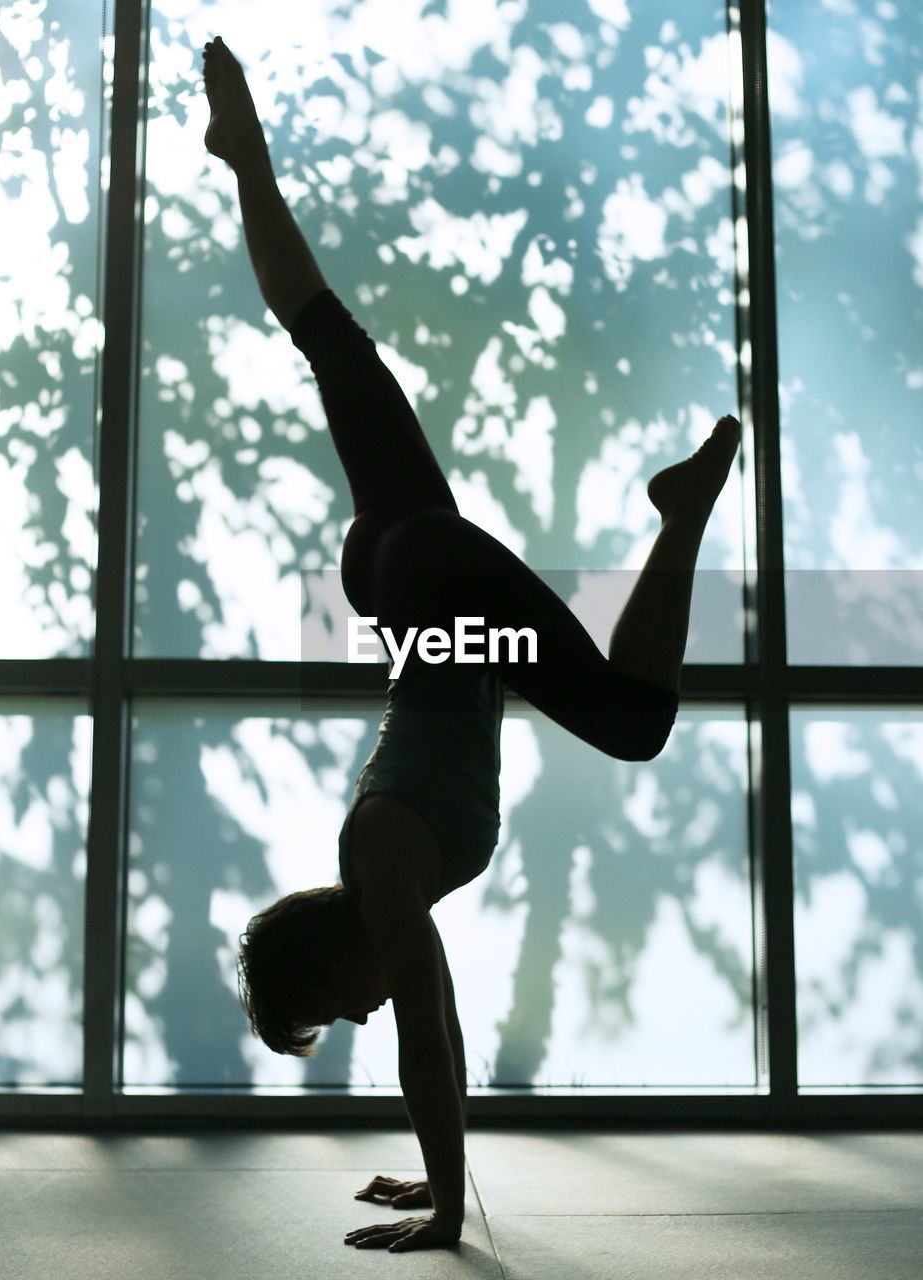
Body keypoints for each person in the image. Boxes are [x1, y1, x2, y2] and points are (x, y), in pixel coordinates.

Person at [203, 35, 741, 1253]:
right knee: (330, 340)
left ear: (333, 961)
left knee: (634, 719)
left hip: (436, 598)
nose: (355, 1014)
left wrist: (448, 1209)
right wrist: (429, 1173)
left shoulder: (381, 868)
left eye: (332, 1010)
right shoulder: (384, 862)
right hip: (402, 574)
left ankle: (681, 519)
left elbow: (429, 1031)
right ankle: (246, 159)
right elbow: (427, 1032)